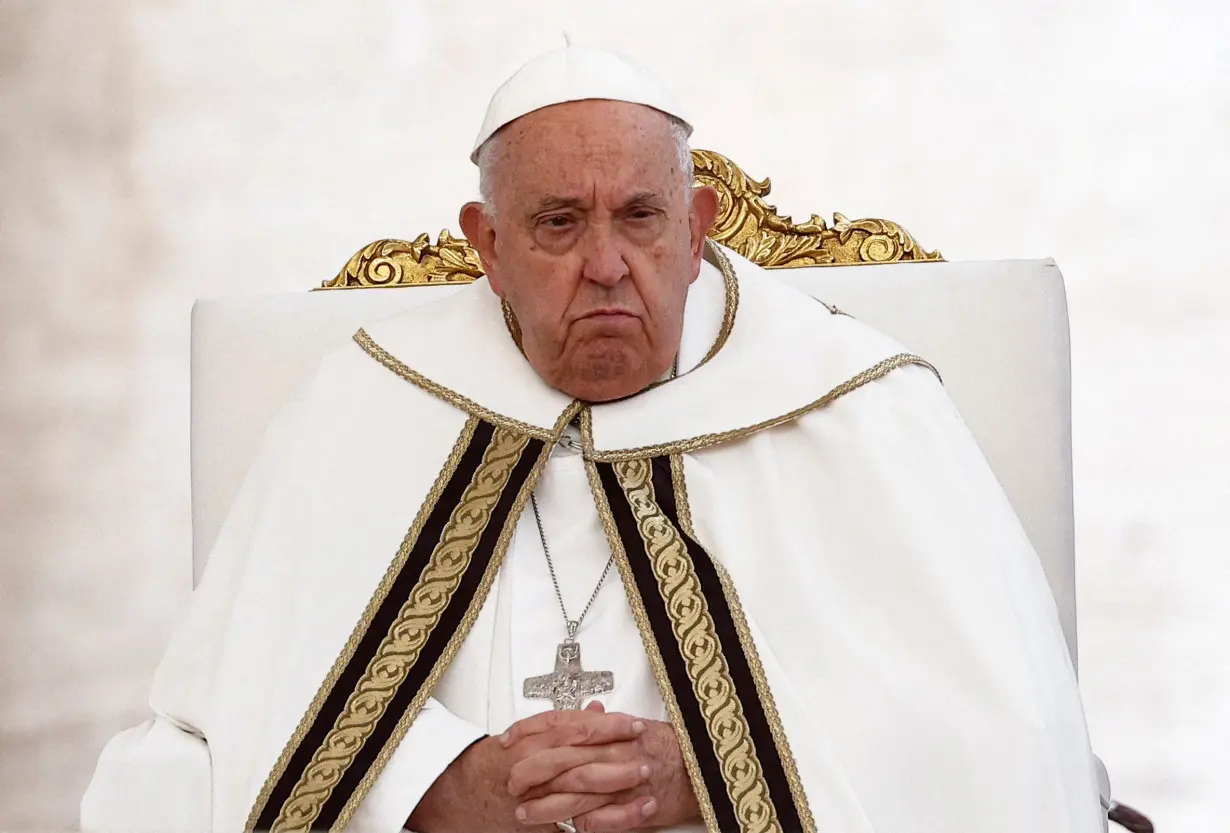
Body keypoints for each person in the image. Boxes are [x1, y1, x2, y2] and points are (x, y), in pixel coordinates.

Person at [81, 45, 1104, 833]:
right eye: (559, 223)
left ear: (699, 226)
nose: (608, 264)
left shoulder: (859, 406)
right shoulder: (363, 406)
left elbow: (993, 737)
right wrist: (427, 780)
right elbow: (222, 713)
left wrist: (710, 773)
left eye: (643, 217)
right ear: (486, 245)